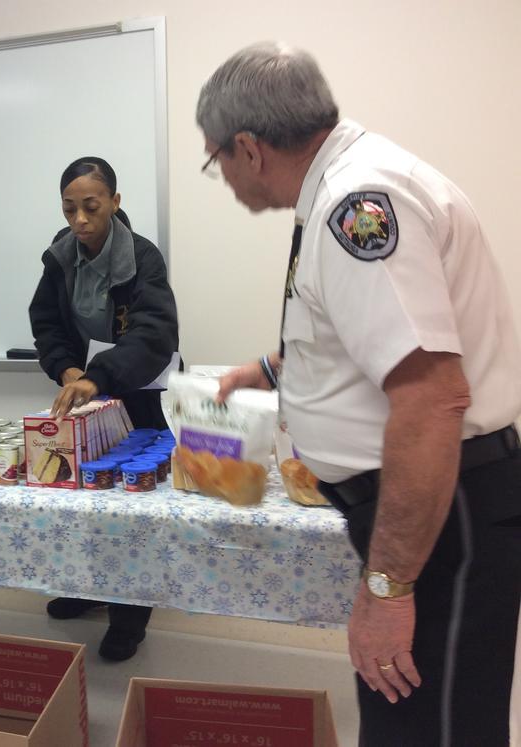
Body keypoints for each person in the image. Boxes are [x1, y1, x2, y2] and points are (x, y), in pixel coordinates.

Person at [197, 42, 521, 745]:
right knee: (406, 715)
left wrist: (388, 589)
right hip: (436, 501)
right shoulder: (348, 180)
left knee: (430, 727)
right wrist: (274, 369)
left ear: (248, 148)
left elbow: (432, 398)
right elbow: (373, 337)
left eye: (215, 158)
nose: (221, 177)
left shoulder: (356, 206)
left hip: (445, 510)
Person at [29, 156, 179, 661]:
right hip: (85, 396)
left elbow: (154, 335)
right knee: (85, 502)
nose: (80, 220)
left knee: (131, 511)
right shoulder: (59, 255)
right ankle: (92, 588)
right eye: (69, 209)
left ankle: (130, 618)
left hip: (139, 395)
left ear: (115, 202)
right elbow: (46, 322)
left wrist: (101, 376)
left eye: (91, 207)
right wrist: (67, 370)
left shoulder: (143, 257)